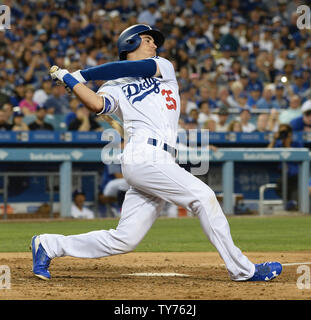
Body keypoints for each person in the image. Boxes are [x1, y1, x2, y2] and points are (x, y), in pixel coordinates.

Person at [31, 24, 282, 282]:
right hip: (143, 155)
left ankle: (48, 245)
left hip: (161, 158)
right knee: (204, 197)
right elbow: (96, 103)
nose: (154, 45)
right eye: (148, 39)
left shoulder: (164, 67)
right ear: (129, 43)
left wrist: (80, 75)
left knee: (125, 239)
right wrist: (71, 80)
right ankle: (243, 270)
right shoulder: (113, 86)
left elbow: (128, 68)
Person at [267, 123, 303, 210]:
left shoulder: (297, 143)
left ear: (290, 133)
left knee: (295, 200)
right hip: (284, 176)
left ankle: (293, 204)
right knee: (279, 187)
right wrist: (274, 139)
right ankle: (290, 203)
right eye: (281, 131)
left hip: (296, 176)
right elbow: (267, 152)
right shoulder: (279, 144)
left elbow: (300, 157)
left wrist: (287, 143)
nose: (284, 133)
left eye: (285, 131)